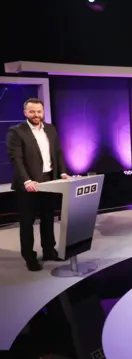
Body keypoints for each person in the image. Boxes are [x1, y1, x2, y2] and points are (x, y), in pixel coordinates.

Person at [6, 98, 69, 271]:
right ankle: (29, 257)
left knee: (48, 217)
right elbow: (16, 159)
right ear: (25, 112)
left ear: (43, 112)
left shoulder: (50, 128)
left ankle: (49, 250)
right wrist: (26, 180)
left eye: (39, 111)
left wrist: (62, 172)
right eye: (32, 112)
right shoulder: (16, 131)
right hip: (28, 183)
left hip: (49, 179)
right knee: (27, 222)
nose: (36, 115)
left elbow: (57, 152)